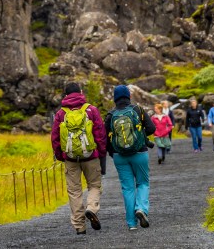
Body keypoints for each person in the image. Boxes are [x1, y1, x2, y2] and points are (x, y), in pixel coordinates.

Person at [51, 82, 107, 235]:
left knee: (74, 191)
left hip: (70, 158)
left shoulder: (60, 114)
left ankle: (79, 226)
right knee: (95, 185)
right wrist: (101, 153)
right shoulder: (91, 110)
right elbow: (100, 133)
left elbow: (55, 137)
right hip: (91, 156)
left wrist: (60, 155)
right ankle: (91, 208)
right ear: (81, 92)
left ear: (65, 95)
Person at [105, 85, 156, 230]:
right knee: (143, 183)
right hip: (140, 153)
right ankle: (141, 209)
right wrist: (141, 137)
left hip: (119, 156)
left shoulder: (110, 115)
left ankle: (131, 223)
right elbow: (152, 128)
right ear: (128, 96)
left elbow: (104, 138)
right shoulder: (137, 110)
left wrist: (112, 152)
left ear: (115, 98)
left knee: (127, 188)